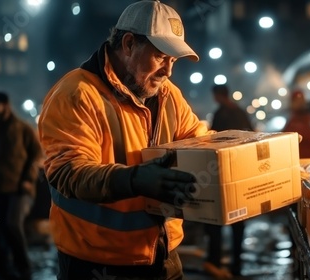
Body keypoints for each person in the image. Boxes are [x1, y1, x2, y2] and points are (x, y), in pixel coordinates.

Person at [38, 1, 211, 279]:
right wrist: (134, 180)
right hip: (97, 265)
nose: (168, 71)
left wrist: (233, 153)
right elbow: (68, 172)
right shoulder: (77, 94)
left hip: (164, 256)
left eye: (174, 61)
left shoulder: (168, 96)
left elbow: (198, 141)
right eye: (160, 56)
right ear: (129, 44)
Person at [0, 92, 43, 280]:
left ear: (6, 105)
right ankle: (5, 267)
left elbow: (36, 154)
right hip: (1, 187)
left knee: (13, 224)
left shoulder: (22, 128)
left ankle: (24, 267)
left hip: (20, 188)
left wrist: (27, 179)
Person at [202, 84, 253, 279]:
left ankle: (214, 261)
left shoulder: (220, 114)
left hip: (220, 174)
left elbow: (211, 142)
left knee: (215, 220)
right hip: (240, 173)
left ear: (217, 95)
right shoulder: (240, 112)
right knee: (238, 222)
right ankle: (236, 266)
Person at [282, 89, 310, 159]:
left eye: (302, 99)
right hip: (296, 159)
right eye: (297, 100)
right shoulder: (288, 118)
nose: (300, 102)